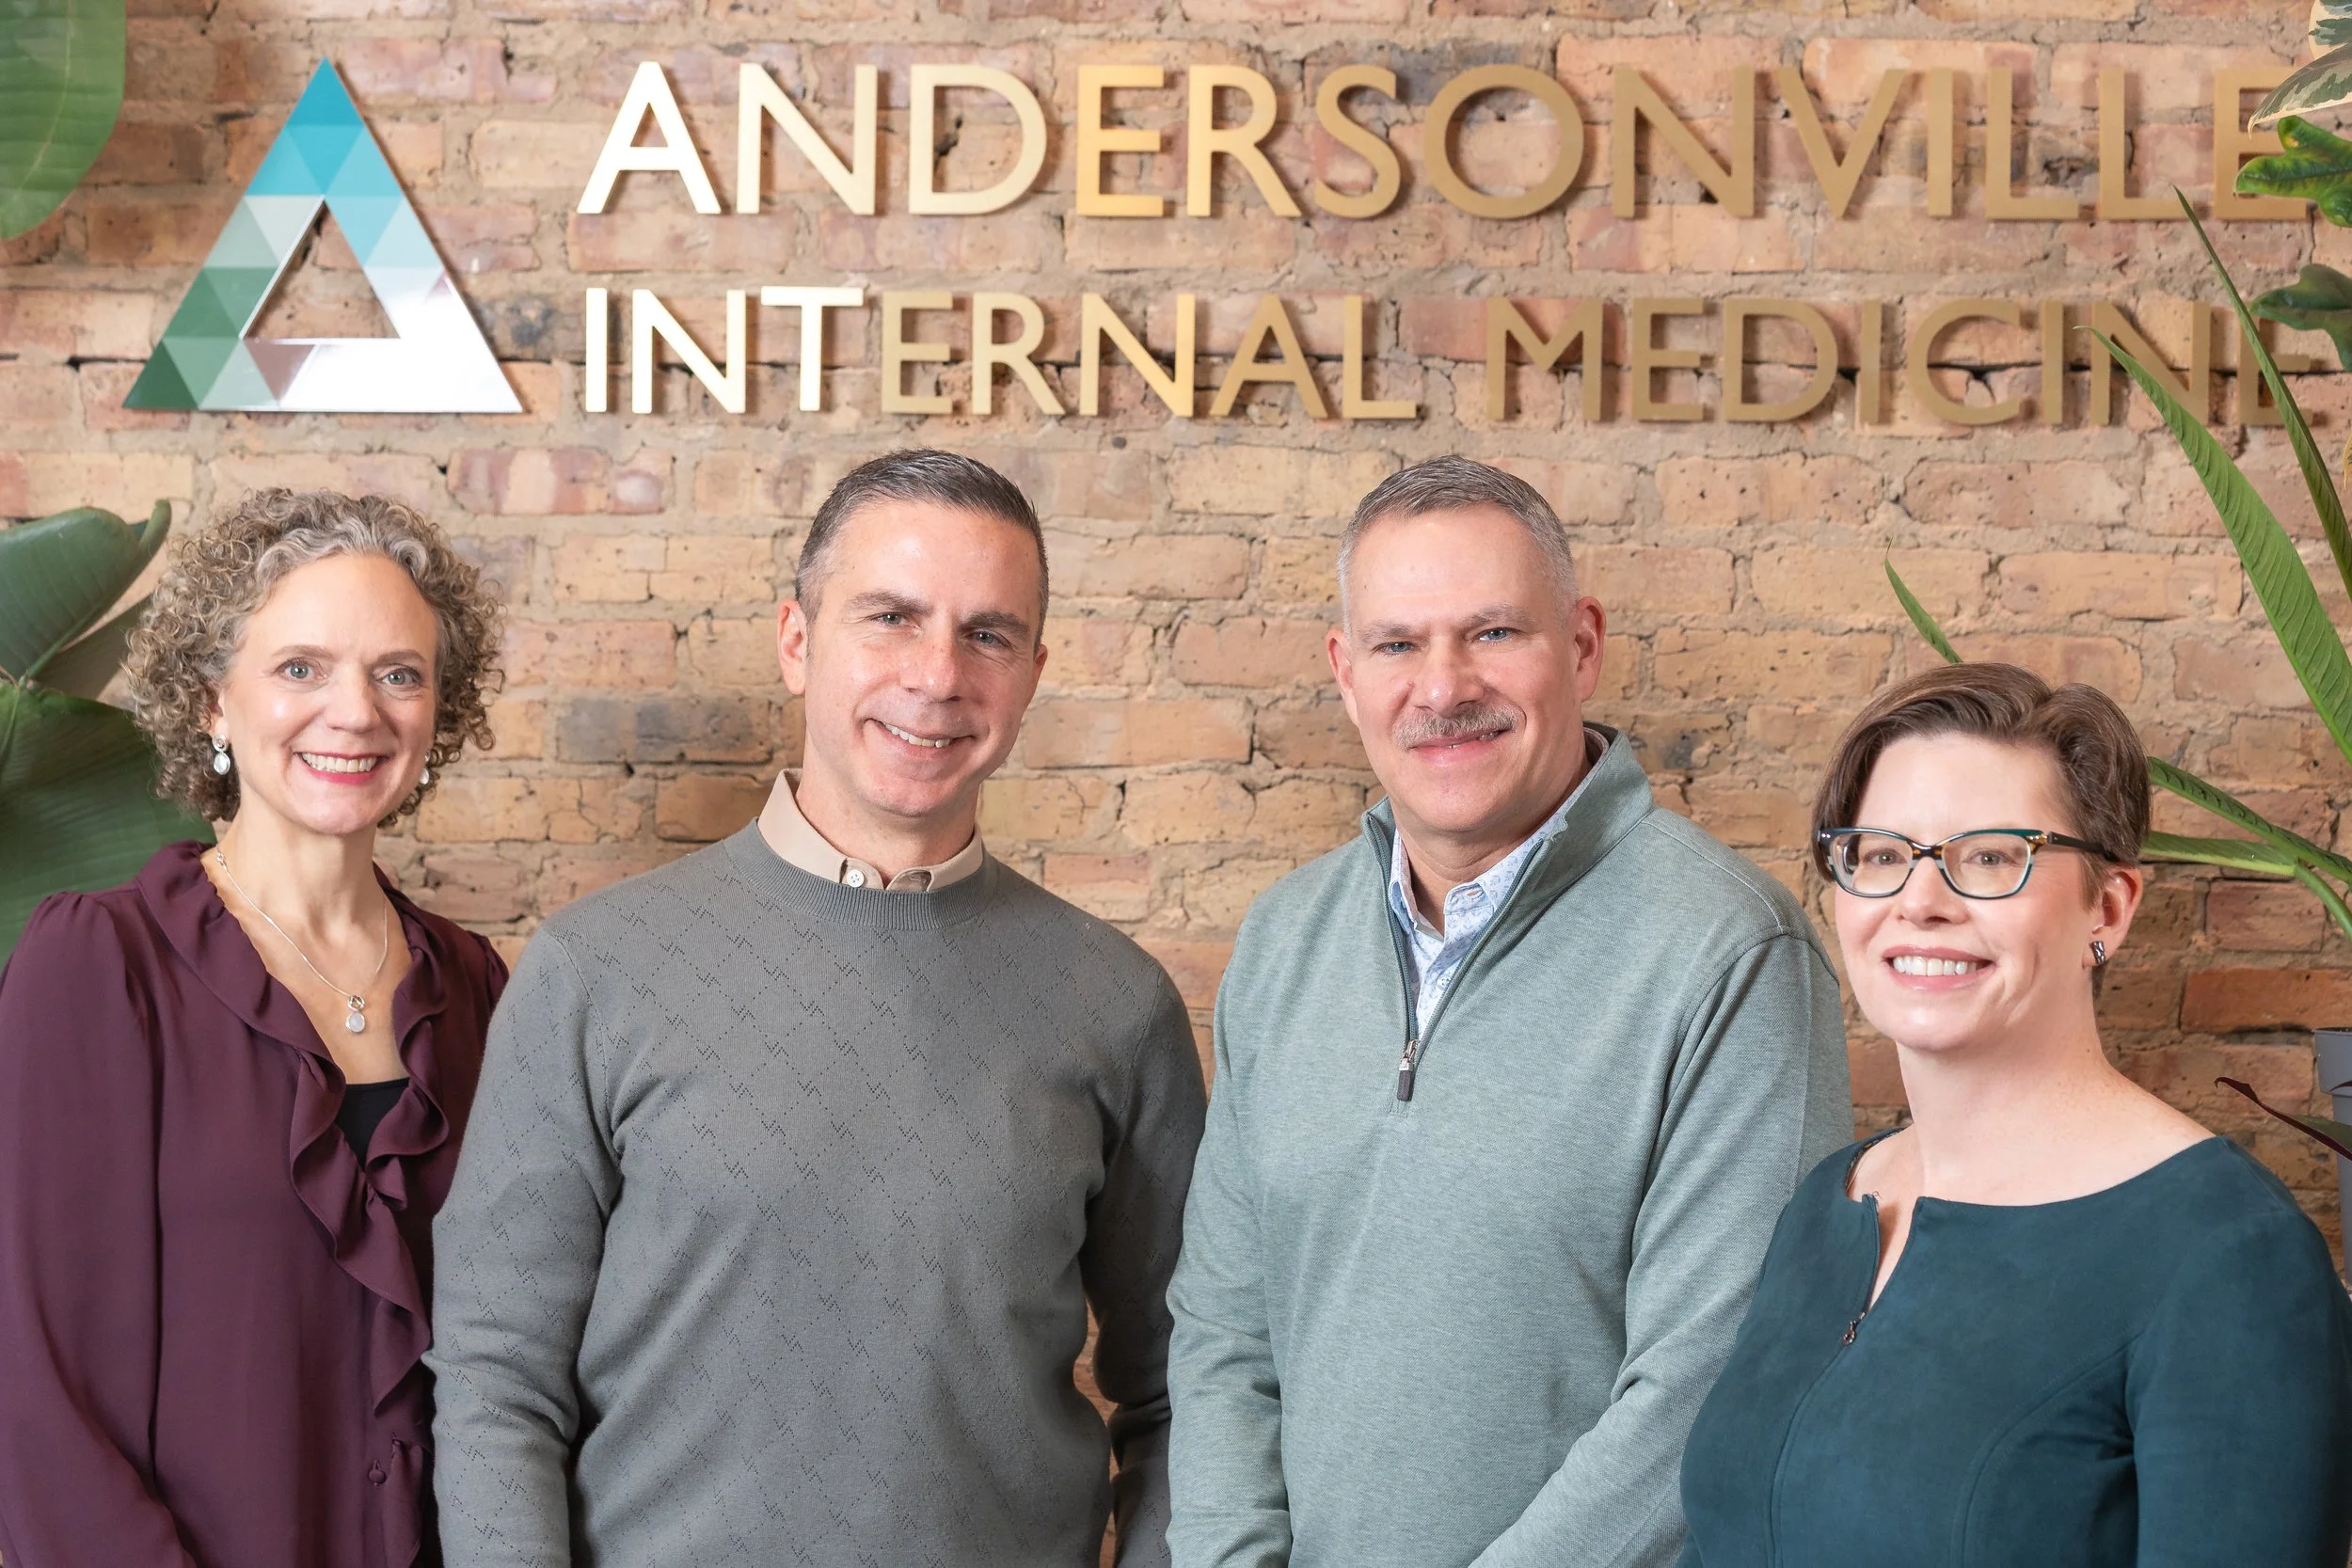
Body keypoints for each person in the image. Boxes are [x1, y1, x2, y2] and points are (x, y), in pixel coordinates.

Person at [429, 449, 1208, 1568]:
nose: (937, 674)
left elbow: (1188, 1388)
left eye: (987, 634)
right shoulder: (594, 970)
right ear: (796, 642)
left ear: (1033, 672)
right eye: (891, 617)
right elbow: (498, 1375)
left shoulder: (1116, 1004)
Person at [1166, 456, 1852, 1568]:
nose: (1442, 687)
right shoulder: (1284, 940)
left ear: (1579, 644)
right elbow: (1223, 1333)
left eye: (1491, 632)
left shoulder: (1730, 951)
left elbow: (1707, 1380)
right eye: (1397, 643)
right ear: (1345, 671)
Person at [1677, 662, 2352, 1566]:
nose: (1920, 901)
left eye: (1992, 855)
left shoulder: (2229, 1257)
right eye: (1882, 853)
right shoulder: (1827, 1203)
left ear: (2108, 907)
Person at [0, 489, 509, 1568]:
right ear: (212, 703)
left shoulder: (475, 988)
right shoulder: (100, 965)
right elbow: (37, 1393)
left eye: (398, 673)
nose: (355, 711)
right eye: (300, 667)